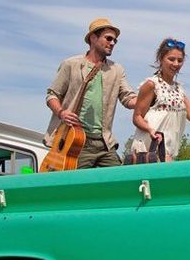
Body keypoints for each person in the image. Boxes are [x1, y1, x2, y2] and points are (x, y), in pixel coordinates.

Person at [45, 17, 138, 168]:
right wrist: (62, 113)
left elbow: (129, 99)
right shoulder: (71, 64)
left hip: (104, 142)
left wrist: (150, 95)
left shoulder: (117, 70)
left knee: (117, 182)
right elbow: (52, 95)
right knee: (79, 187)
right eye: (108, 38)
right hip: (76, 140)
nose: (112, 43)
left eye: (115, 40)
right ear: (93, 38)